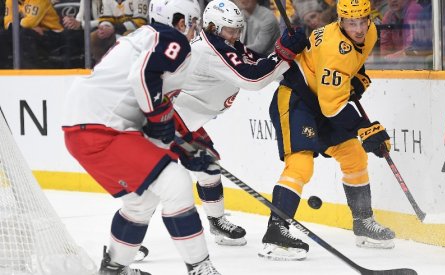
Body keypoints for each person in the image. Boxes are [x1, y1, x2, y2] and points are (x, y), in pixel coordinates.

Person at [61, 0, 222, 274]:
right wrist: (162, 122)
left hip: (88, 126)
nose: (195, 32)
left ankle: (115, 269)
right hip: (102, 125)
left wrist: (190, 141)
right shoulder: (172, 38)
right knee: (175, 183)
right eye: (193, 25)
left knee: (141, 201)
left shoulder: (147, 38)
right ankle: (200, 268)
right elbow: (144, 77)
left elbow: (157, 102)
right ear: (181, 22)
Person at [164, 0, 309, 247]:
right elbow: (252, 79)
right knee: (148, 185)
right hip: (167, 120)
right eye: (230, 30)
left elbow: (257, 64)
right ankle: (125, 245)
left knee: (209, 167)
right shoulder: (208, 50)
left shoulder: (226, 44)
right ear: (212, 27)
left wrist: (290, 62)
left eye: (237, 29)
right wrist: (284, 53)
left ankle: (217, 223)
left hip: (185, 120)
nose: (235, 35)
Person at [259, 0, 395, 261]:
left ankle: (363, 224)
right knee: (300, 166)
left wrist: (357, 80)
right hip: (297, 99)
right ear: (340, 21)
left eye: (362, 22)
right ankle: (275, 233)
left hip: (322, 100)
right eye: (351, 23)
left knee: (354, 155)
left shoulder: (371, 32)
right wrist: (364, 128)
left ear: (369, 18)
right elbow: (332, 107)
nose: (358, 29)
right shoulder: (335, 48)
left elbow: (352, 67)